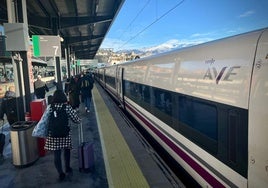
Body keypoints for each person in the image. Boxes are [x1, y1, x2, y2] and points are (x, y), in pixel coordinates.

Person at [44, 89, 81, 181]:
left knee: (56, 154)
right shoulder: (67, 107)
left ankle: (60, 173)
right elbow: (75, 119)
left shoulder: (50, 108)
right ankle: (67, 167)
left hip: (53, 134)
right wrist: (79, 120)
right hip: (65, 134)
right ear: (63, 97)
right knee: (67, 151)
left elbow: (45, 121)